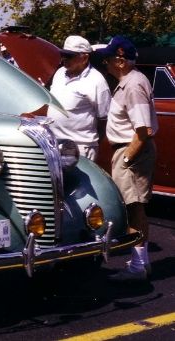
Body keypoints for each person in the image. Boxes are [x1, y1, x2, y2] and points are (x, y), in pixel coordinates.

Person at [99, 36, 159, 282]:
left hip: (131, 150)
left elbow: (142, 131)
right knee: (135, 208)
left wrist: (126, 159)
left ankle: (137, 267)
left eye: (108, 59)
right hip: (130, 149)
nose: (106, 64)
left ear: (120, 60)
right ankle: (140, 262)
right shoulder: (131, 81)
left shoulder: (132, 86)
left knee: (133, 209)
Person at [48, 35, 111, 161]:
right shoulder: (59, 73)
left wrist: (90, 142)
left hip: (80, 148)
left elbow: (104, 119)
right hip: (54, 144)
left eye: (69, 56)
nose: (64, 59)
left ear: (85, 58)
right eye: (63, 54)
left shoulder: (97, 81)